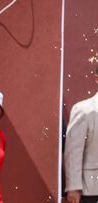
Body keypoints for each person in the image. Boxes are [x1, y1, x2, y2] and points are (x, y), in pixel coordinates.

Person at [64, 67, 98, 203]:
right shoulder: (84, 110)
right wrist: (73, 187)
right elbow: (73, 153)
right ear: (97, 79)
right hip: (91, 190)